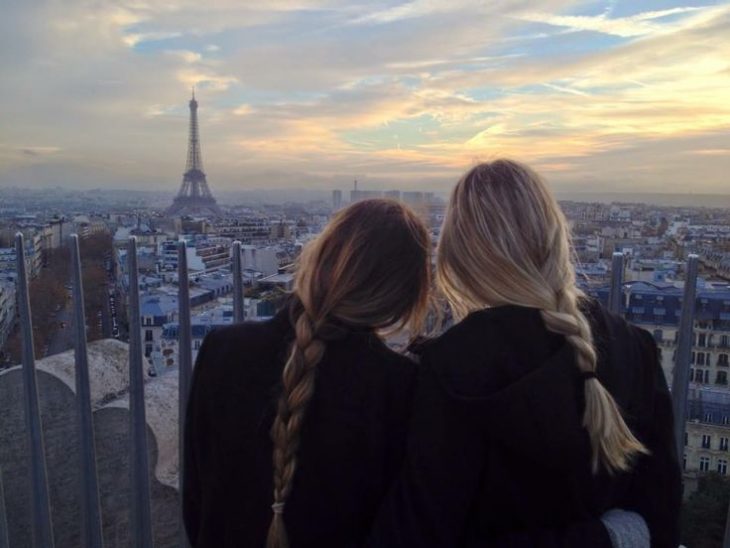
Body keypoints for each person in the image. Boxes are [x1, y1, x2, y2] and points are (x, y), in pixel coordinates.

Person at [369, 160, 681, 548]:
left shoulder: (453, 366)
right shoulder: (635, 347)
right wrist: (611, 537)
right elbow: (661, 519)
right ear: (553, 235)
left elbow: (417, 534)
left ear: (462, 252)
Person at [182, 199, 431, 547]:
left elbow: (196, 504)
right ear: (403, 294)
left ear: (318, 258)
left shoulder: (222, 351)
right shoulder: (400, 387)